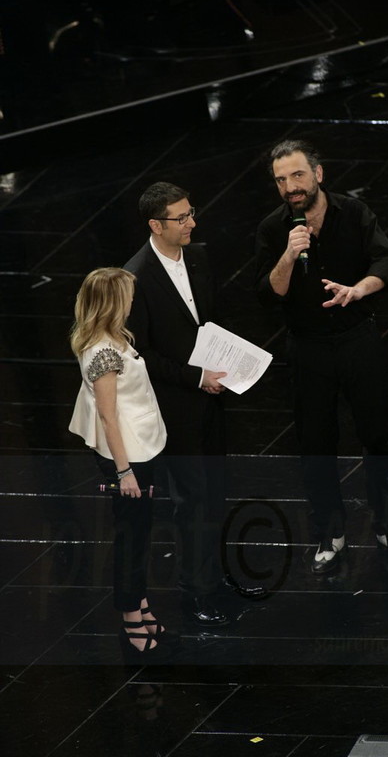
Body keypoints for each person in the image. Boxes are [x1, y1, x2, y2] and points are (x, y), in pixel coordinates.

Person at [254, 139, 388, 574]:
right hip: (308, 348)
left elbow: (385, 263)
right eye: (281, 180)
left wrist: (358, 290)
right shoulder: (273, 229)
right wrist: (290, 254)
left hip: (358, 339)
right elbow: (268, 294)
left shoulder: (354, 212)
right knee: (315, 444)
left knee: (378, 436)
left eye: (298, 175)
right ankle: (330, 531)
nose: (291, 186)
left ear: (318, 174)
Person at [124, 181, 265, 627]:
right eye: (181, 217)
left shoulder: (199, 257)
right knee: (192, 500)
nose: (192, 222)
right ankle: (196, 592)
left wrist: (228, 362)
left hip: (211, 401)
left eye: (190, 212)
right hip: (175, 408)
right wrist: (196, 377)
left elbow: (209, 322)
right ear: (155, 225)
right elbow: (141, 355)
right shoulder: (135, 277)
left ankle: (215, 579)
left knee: (215, 492)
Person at [69, 267, 172, 663]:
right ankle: (131, 615)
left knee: (140, 533)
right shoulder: (104, 353)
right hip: (128, 456)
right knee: (132, 538)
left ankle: (139, 600)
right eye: (127, 295)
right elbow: (108, 416)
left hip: (137, 447)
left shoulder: (112, 338)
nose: (132, 301)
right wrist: (124, 472)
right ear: (114, 303)